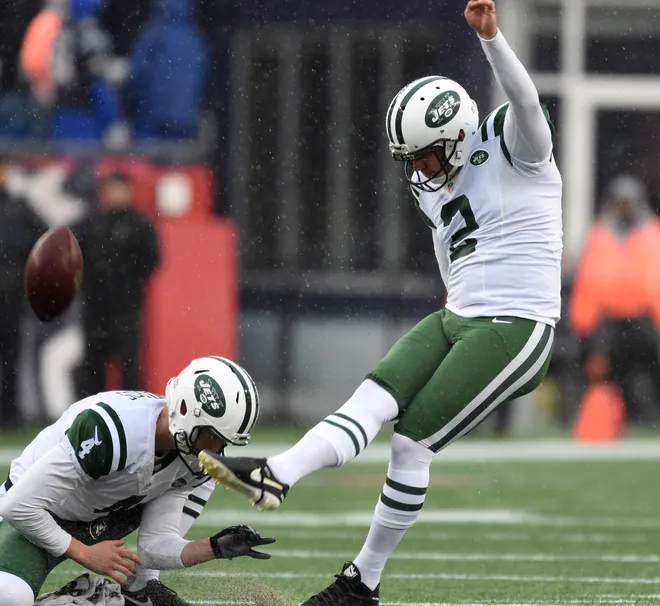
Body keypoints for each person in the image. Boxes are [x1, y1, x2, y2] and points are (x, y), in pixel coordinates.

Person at [198, 1, 562, 604]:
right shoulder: (431, 188)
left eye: (425, 154)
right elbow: (452, 262)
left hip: (518, 324)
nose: (419, 168)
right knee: (373, 395)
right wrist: (452, 316)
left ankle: (361, 582)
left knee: (410, 442)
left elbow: (525, 103)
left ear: (459, 133)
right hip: (461, 315)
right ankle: (276, 474)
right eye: (411, 159)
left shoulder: (514, 146)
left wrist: (492, 40)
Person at [0, 356, 273, 606]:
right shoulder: (112, 430)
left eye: (224, 441)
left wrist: (212, 548)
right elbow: (18, 506)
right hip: (37, 518)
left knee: (152, 599)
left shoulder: (198, 463)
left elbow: (154, 548)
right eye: (213, 436)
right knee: (11, 596)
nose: (216, 448)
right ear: (186, 410)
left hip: (100, 518)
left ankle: (113, 594)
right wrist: (83, 553)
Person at [570, 174, 660, 422]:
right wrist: (584, 323)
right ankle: (613, 419)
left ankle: (648, 416)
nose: (625, 207)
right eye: (621, 202)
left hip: (646, 318)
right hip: (609, 320)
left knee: (651, 370)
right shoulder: (600, 235)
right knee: (608, 374)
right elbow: (588, 281)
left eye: (629, 201)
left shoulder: (652, 232)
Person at [77, 171, 160, 398]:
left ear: (128, 191)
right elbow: (79, 259)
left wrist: (128, 286)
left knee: (129, 365)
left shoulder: (140, 224)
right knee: (93, 365)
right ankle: (92, 414)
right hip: (96, 308)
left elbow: (151, 261)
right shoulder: (93, 223)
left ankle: (132, 414)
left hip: (127, 308)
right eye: (110, 190)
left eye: (118, 189)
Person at [0, 157, 46, 427]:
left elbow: (44, 244)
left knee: (11, 356)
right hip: (11, 292)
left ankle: (9, 415)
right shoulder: (18, 208)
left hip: (11, 298)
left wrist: (22, 277)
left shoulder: (19, 208)